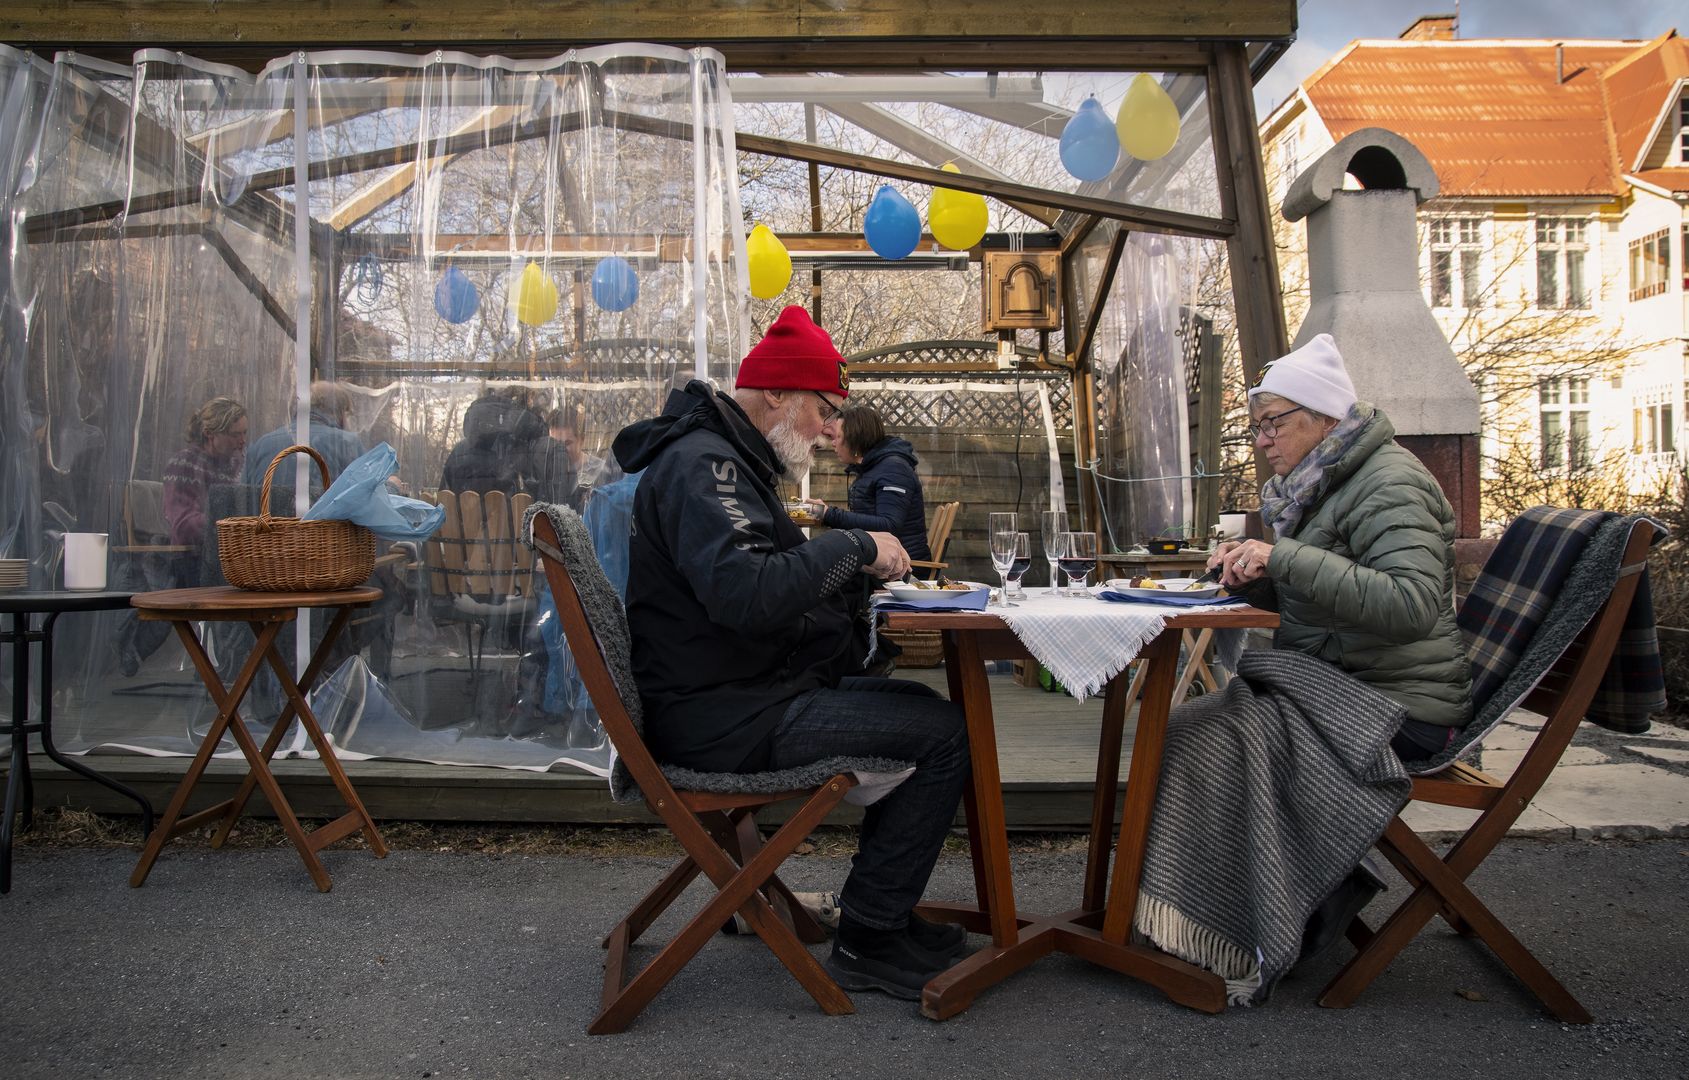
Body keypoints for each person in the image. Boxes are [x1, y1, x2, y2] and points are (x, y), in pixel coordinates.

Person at [610, 304, 971, 1001]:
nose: (832, 428)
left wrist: (842, 594)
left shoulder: (723, 458)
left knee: (918, 708)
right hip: (722, 717)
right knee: (942, 735)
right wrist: (853, 545)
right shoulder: (704, 464)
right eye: (824, 408)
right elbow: (748, 597)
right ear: (777, 394)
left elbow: (755, 596)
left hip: (734, 694)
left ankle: (880, 916)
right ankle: (868, 938)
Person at [1210, 332, 1474, 760]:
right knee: (1196, 726)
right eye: (1258, 427)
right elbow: (1324, 609)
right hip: (1346, 687)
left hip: (1403, 709)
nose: (1262, 441)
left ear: (1328, 418)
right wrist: (1254, 578)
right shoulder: (1319, 486)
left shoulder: (1390, 483)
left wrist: (1282, 557)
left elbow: (1412, 607)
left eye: (1274, 422)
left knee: (1212, 743)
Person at [807, 404, 932, 566]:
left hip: (901, 567)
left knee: (818, 570)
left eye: (837, 437)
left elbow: (889, 526)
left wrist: (829, 514)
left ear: (854, 437)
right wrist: (826, 514)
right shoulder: (873, 467)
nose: (833, 443)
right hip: (881, 560)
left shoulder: (893, 469)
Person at [243, 381, 366, 496]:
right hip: (325, 519)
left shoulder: (263, 444)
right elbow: (366, 494)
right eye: (348, 414)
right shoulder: (347, 443)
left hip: (269, 518)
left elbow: (244, 493)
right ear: (339, 411)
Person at [163, 396, 248, 551]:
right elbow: (183, 526)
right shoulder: (185, 464)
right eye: (235, 435)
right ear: (210, 434)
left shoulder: (239, 464)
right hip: (194, 558)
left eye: (244, 433)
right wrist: (231, 523)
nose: (242, 441)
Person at [439, 385, 549, 495]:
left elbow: (443, 499)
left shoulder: (460, 450)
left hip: (461, 511)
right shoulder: (522, 448)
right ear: (526, 406)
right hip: (511, 511)